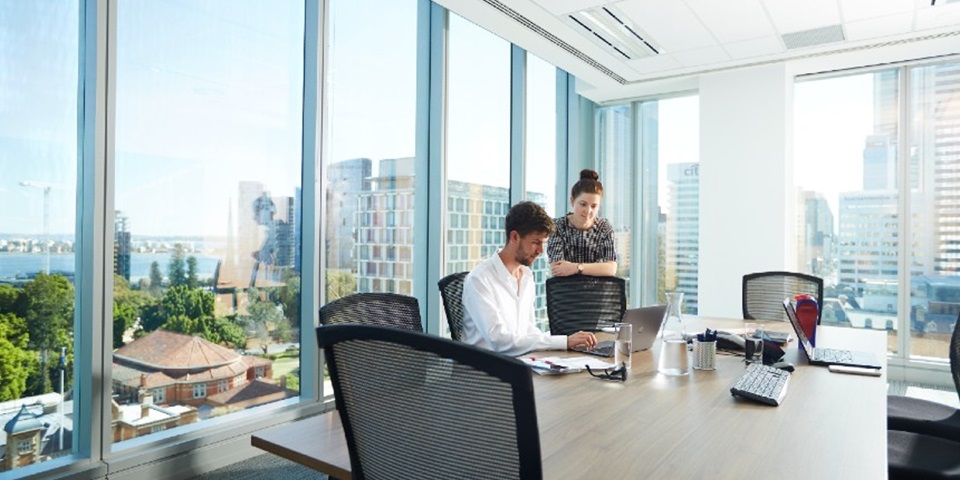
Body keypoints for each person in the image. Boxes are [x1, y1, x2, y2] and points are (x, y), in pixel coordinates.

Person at [461, 201, 598, 356]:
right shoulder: (479, 279)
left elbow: (528, 331)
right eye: (535, 242)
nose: (540, 251)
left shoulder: (526, 275)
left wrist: (564, 343)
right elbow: (498, 340)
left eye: (543, 244)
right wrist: (563, 342)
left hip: (519, 362)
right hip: (486, 372)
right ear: (514, 237)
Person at [547, 169, 618, 277]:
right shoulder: (558, 226)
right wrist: (597, 268)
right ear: (572, 201)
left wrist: (576, 268)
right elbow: (557, 268)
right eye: (583, 204)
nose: (588, 211)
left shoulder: (604, 227)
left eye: (594, 206)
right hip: (565, 292)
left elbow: (611, 269)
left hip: (598, 292)